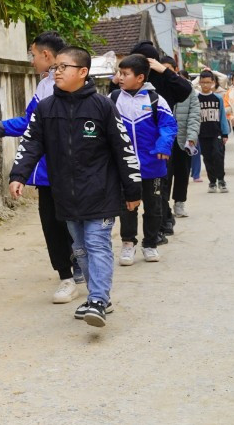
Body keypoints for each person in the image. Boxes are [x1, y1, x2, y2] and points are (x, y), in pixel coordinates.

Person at [10, 46, 141, 327]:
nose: (56, 72)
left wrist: (133, 190)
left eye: (63, 67)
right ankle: (100, 298)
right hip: (66, 195)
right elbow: (31, 143)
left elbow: (123, 149)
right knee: (79, 249)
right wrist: (18, 175)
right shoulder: (46, 109)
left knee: (96, 243)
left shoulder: (103, 106)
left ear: (82, 72)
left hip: (100, 192)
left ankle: (96, 299)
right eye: (55, 67)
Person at [0, 32, 79, 303]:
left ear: (46, 55)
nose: (31, 61)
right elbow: (30, 124)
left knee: (80, 222)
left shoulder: (80, 84)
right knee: (52, 224)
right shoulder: (43, 86)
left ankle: (88, 271)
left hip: (78, 171)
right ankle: (65, 275)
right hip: (47, 172)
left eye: (33, 55)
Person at [111, 55, 176, 265]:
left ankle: (150, 244)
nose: (119, 77)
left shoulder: (155, 99)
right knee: (127, 207)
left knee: (154, 206)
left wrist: (163, 146)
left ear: (140, 78)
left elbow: (168, 125)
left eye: (124, 74)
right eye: (119, 73)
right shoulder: (113, 99)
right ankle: (128, 244)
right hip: (124, 167)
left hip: (153, 165)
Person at [162, 59, 199, 227]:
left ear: (175, 70)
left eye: (168, 69)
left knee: (183, 173)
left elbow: (194, 115)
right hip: (165, 139)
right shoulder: (157, 88)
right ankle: (164, 206)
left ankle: (179, 202)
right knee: (165, 174)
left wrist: (192, 136)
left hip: (184, 138)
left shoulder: (188, 89)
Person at [195, 71, 231, 193]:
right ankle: (212, 182)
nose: (205, 85)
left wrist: (225, 133)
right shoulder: (196, 98)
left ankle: (221, 180)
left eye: (208, 82)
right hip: (202, 134)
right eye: (203, 82)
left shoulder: (218, 98)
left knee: (218, 155)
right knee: (207, 158)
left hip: (217, 133)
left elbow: (222, 117)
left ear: (213, 83)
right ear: (199, 83)